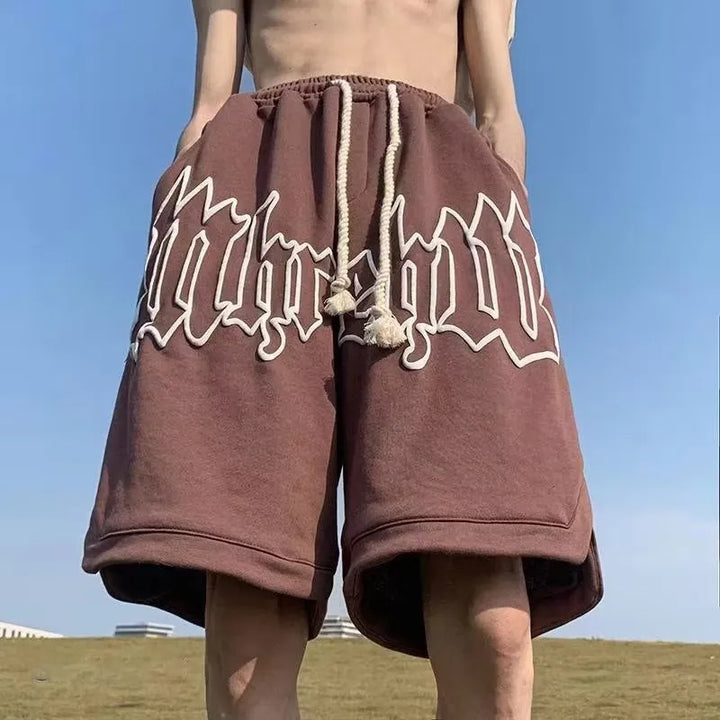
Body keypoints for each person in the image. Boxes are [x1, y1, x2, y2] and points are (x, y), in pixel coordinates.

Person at [82, 1, 603, 718]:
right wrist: (181, 216)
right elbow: (208, 99)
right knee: (251, 573)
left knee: (485, 579)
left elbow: (497, 108)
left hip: (438, 194)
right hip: (257, 193)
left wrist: (504, 220)